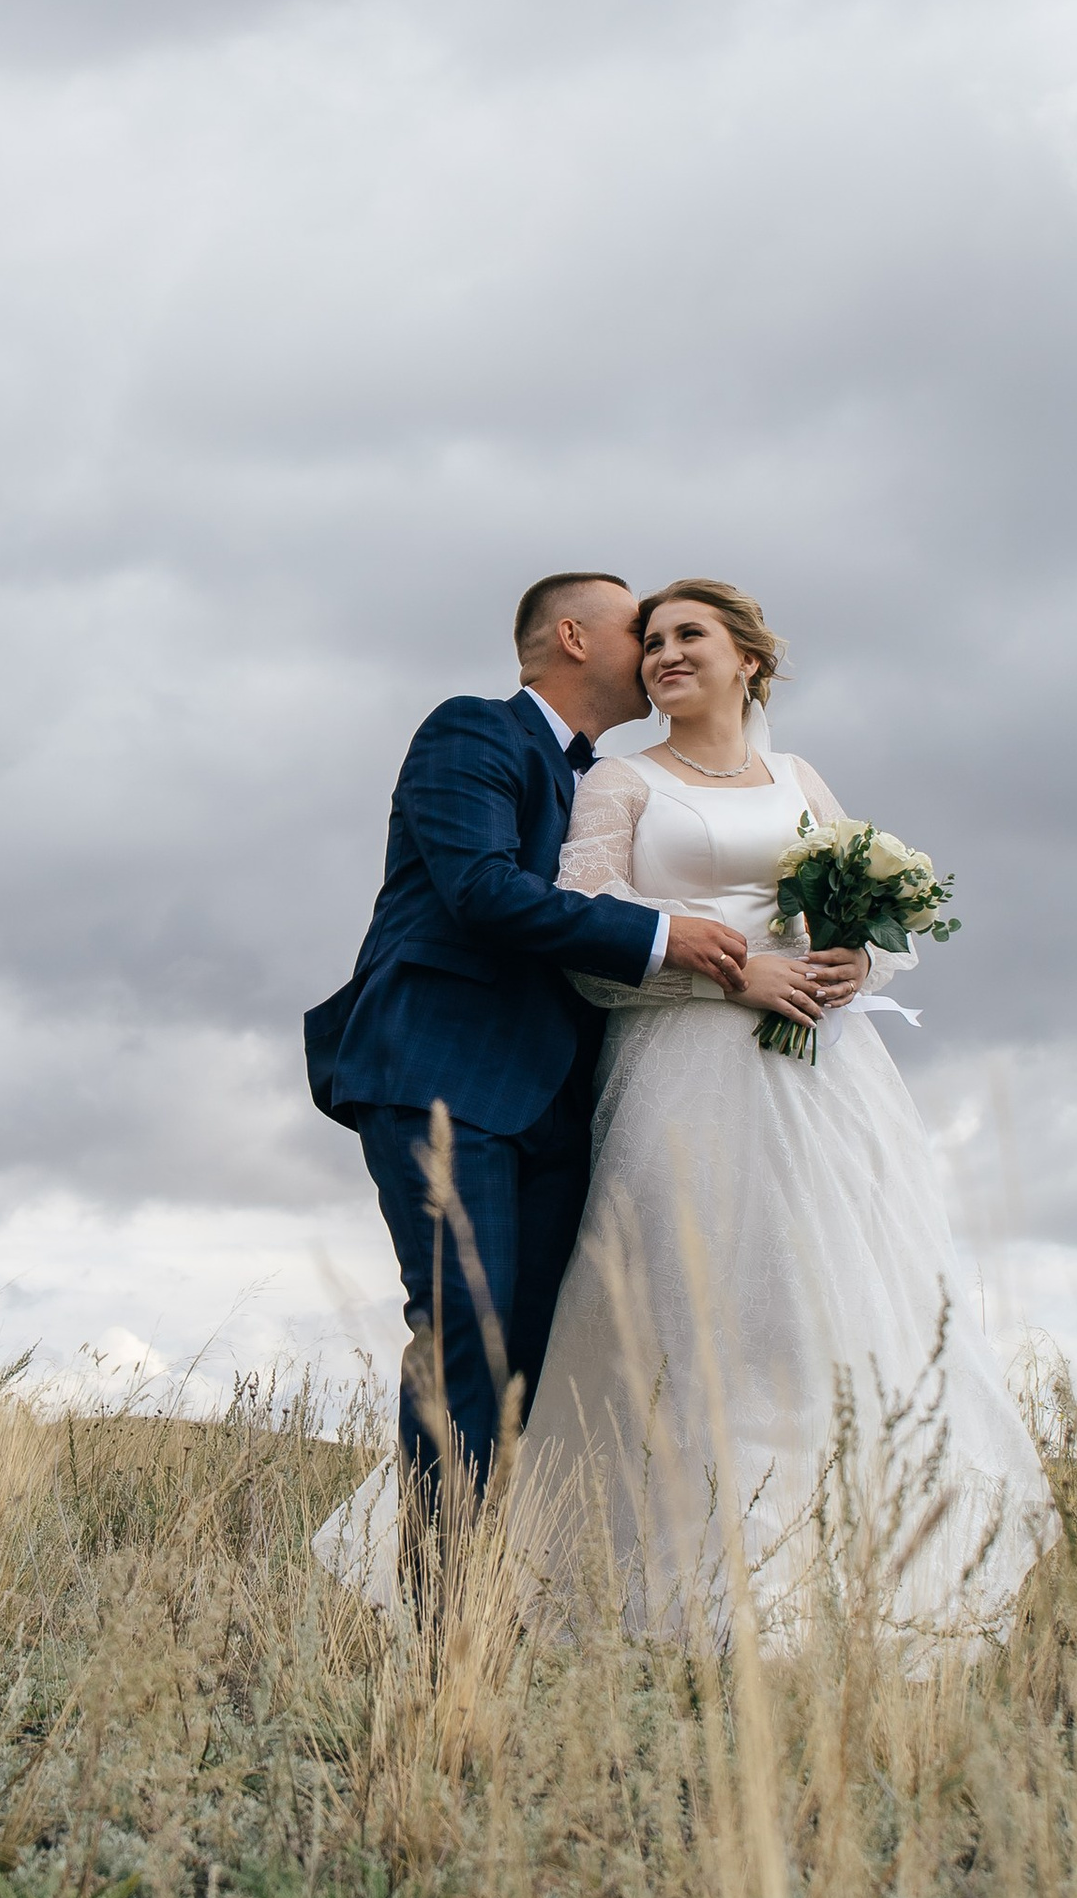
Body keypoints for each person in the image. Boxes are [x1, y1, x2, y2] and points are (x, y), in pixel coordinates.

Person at [508, 575, 1055, 1641]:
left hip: (818, 1078)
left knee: (817, 1314)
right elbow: (585, 925)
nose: (666, 654)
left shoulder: (799, 776)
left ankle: (817, 1596)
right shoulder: (620, 781)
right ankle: (657, 1594)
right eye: (652, 641)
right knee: (690, 1309)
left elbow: (873, 917)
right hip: (682, 1067)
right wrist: (733, 970)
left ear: (747, 659)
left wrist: (854, 960)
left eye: (690, 636)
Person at [304, 574, 756, 1599]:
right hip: (441, 1072)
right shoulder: (474, 733)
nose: (652, 647)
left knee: (537, 1362)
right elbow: (479, 889)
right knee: (466, 1331)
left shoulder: (615, 780)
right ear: (571, 635)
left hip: (561, 1100)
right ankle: (445, 1616)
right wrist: (664, 935)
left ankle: (521, 1589)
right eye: (637, 628)